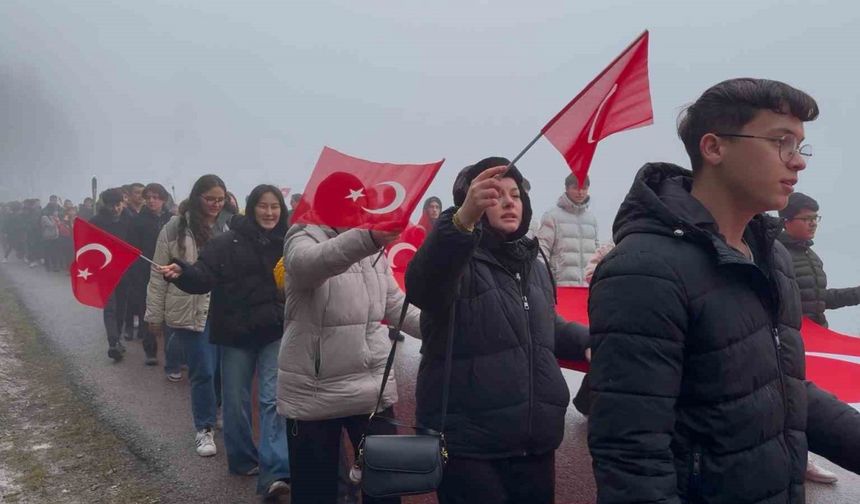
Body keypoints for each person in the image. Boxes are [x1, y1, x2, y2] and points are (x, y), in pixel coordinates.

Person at [587, 78, 860, 504]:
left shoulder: (772, 259)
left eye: (801, 146)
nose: (798, 162)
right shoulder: (644, 270)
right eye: (780, 142)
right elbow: (631, 454)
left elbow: (784, 389)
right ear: (714, 148)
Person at [406, 158, 591, 504]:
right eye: (495, 195)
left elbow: (544, 325)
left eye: (515, 194)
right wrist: (460, 222)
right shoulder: (454, 259)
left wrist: (588, 342)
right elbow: (423, 287)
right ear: (472, 202)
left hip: (534, 443)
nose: (509, 202)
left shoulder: (533, 264)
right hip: (469, 446)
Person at [279, 194, 420, 504]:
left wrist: (448, 329)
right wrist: (368, 237)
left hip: (371, 390)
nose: (356, 211)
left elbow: (396, 306)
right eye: (346, 203)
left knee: (385, 488)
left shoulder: (373, 250)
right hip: (313, 391)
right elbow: (309, 266)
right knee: (316, 492)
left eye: (358, 204)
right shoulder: (302, 236)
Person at [160, 184, 291, 499]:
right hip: (235, 334)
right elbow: (204, 274)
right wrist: (184, 272)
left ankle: (275, 473)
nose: (269, 212)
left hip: (275, 331)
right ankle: (243, 459)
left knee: (273, 401)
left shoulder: (290, 242)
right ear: (251, 207)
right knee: (235, 401)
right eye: (263, 205)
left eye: (275, 206)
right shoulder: (226, 242)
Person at [145, 175, 230, 457]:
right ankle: (203, 428)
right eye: (210, 199)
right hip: (189, 307)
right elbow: (158, 274)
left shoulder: (227, 226)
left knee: (221, 370)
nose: (216, 205)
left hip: (224, 307)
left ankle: (217, 410)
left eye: (220, 199)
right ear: (197, 198)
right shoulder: (174, 228)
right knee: (202, 369)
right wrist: (154, 314)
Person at [778, 192, 860, 484]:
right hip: (791, 340)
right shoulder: (776, 252)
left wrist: (856, 293)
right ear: (787, 221)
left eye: (816, 218)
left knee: (816, 399)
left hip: (815, 338)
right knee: (796, 402)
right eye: (807, 218)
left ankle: (802, 456)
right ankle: (801, 459)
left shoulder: (811, 255)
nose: (813, 224)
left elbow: (820, 300)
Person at [129, 183, 174, 365]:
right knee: (147, 311)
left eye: (155, 197)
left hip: (170, 270)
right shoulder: (138, 221)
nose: (151, 200)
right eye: (148, 197)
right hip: (145, 271)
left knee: (170, 313)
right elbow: (133, 249)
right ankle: (150, 350)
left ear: (163, 199)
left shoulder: (172, 220)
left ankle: (173, 354)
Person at [89, 188, 133, 361]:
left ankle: (118, 337)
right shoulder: (95, 222)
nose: (115, 209)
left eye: (118, 204)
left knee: (122, 305)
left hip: (125, 269)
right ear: (104, 205)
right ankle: (113, 342)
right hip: (104, 269)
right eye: (111, 205)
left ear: (123, 202)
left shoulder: (130, 219)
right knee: (110, 307)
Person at [536, 173, 599, 286]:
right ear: (566, 188)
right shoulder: (552, 216)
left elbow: (597, 254)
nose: (580, 192)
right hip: (560, 286)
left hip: (588, 287)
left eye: (584, 188)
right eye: (575, 188)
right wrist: (544, 282)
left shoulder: (592, 219)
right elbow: (542, 251)